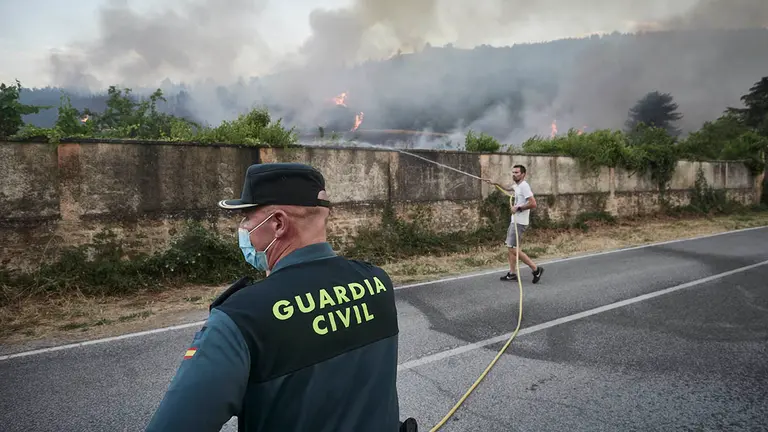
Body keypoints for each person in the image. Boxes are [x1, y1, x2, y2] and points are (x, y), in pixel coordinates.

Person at [146, 162, 413, 432]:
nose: (243, 228)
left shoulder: (241, 318)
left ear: (277, 224)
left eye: (247, 217)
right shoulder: (376, 281)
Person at [483, 164, 544, 284]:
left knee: (513, 249)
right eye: (513, 172)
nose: (514, 174)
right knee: (511, 248)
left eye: (517, 173)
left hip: (519, 223)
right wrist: (494, 183)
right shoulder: (517, 186)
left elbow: (533, 203)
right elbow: (508, 188)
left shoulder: (524, 186)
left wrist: (519, 208)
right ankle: (512, 273)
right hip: (515, 221)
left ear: (523, 174)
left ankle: (536, 269)